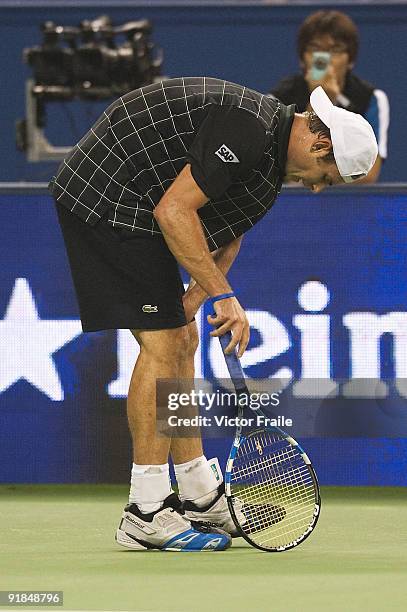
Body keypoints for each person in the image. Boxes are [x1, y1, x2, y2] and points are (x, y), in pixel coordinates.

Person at [49, 76, 377, 552]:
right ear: (319, 142)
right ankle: (145, 511)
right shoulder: (248, 128)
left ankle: (201, 496)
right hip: (108, 195)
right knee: (163, 346)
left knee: (182, 339)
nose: (318, 189)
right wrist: (224, 296)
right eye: (326, 176)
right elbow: (175, 212)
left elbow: (225, 231)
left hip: (146, 205)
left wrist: (196, 300)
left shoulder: (269, 167)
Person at [270, 10, 389, 182]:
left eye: (335, 50)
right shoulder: (280, 96)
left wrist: (323, 178)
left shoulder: (371, 98)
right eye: (315, 49)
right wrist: (320, 101)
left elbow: (368, 174)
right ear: (302, 59)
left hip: (346, 203)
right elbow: (281, 169)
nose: (324, 59)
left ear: (350, 60)